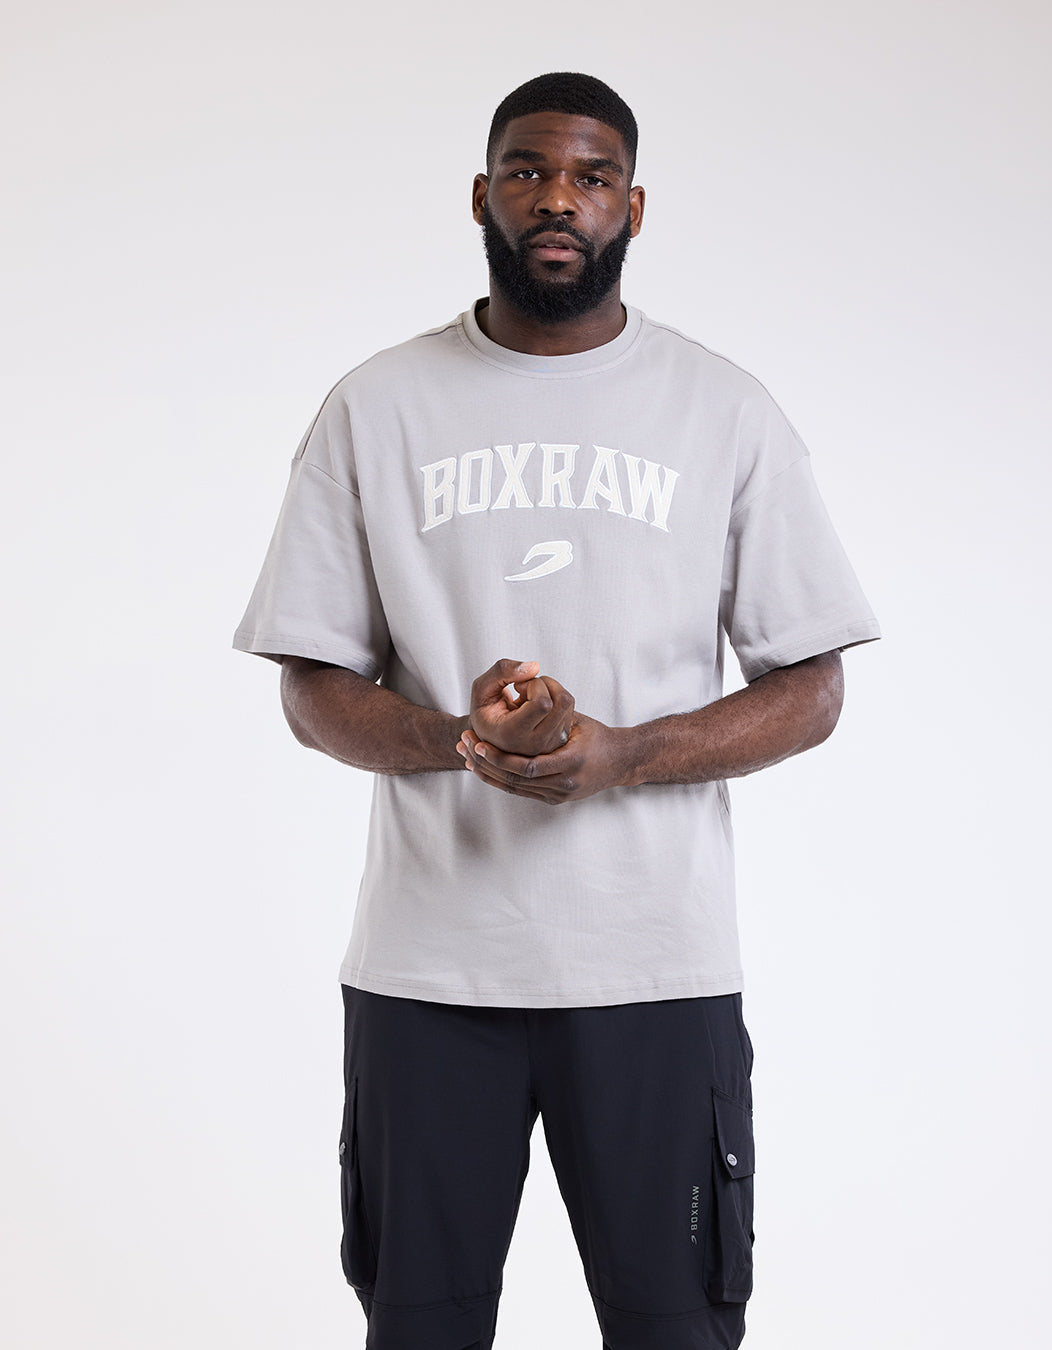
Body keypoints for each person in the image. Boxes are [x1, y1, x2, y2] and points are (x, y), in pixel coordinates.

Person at [233, 71, 880, 1350]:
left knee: (674, 1329)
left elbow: (812, 687)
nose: (557, 200)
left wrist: (624, 755)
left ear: (633, 206)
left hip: (656, 971)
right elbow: (311, 685)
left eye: (591, 177)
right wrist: (456, 740)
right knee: (419, 1329)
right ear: (482, 194)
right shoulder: (377, 405)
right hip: (427, 973)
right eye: (529, 171)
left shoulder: (722, 409)